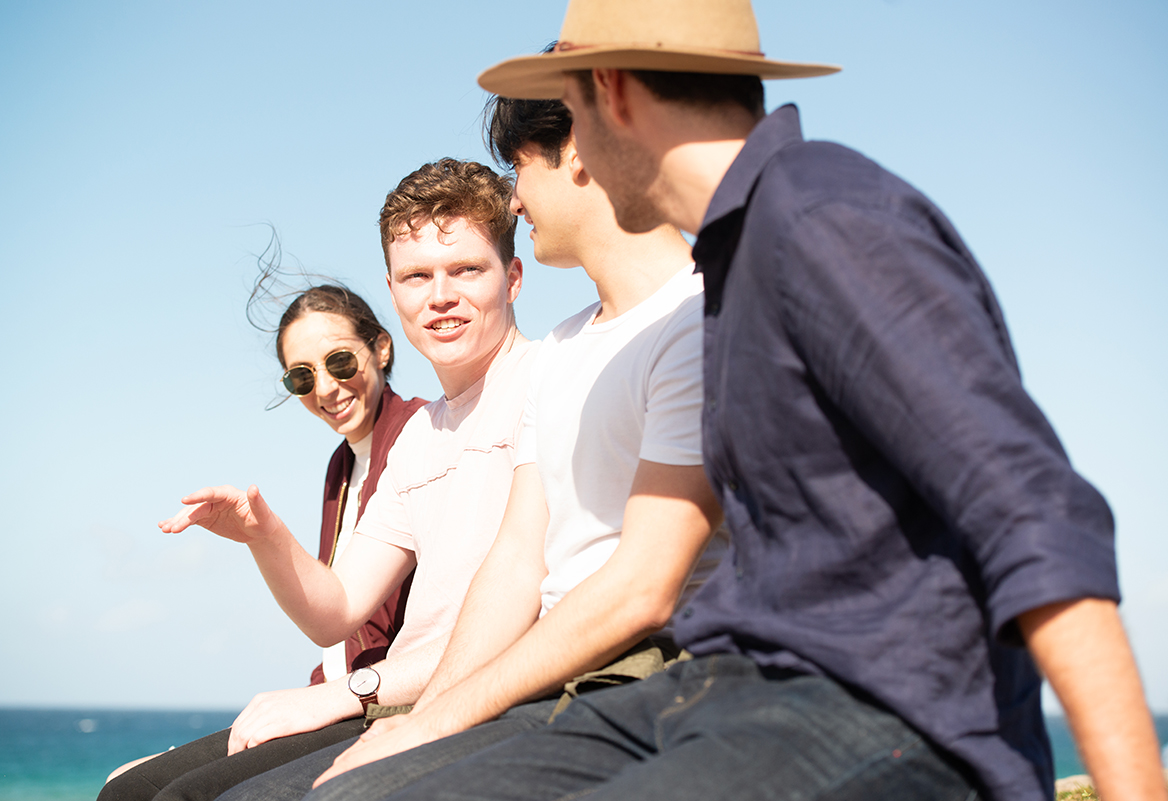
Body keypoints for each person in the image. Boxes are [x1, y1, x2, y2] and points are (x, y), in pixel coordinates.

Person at [334, 2, 1164, 800]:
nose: (529, 187)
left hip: (881, 706)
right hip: (721, 683)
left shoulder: (823, 216)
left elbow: (1035, 510)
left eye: (571, 113)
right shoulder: (736, 259)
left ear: (613, 92)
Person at [211, 93, 726, 801]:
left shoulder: (681, 324)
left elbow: (637, 587)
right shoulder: (571, 348)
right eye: (418, 277)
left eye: (518, 166)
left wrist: (399, 712)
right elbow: (512, 566)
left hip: (634, 677)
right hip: (518, 684)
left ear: (578, 157)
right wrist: (263, 533)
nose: (516, 198)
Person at [99, 157, 538, 801]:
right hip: (394, 701)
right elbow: (336, 612)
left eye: (466, 269)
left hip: (458, 703)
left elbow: (526, 607)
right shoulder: (418, 441)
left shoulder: (549, 381)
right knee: (132, 792)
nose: (440, 296)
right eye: (418, 276)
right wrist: (261, 533)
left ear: (514, 277)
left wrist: (343, 694)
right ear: (395, 293)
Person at [98, 281, 426, 793]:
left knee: (154, 792)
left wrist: (264, 534)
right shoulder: (341, 467)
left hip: (374, 703)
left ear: (381, 347)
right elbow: (331, 621)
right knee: (127, 782)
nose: (326, 388)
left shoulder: (420, 436)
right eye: (302, 377)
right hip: (333, 698)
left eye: (339, 362)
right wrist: (258, 537)